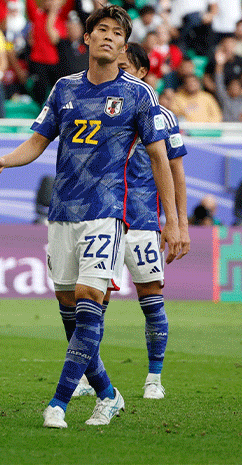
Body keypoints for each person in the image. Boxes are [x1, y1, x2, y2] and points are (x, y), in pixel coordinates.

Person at [0, 5, 183, 428]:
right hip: (63, 213)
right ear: (87, 39)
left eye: (117, 33)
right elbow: (37, 142)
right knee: (70, 312)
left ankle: (58, 403)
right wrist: (6, 160)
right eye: (101, 30)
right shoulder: (64, 88)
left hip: (106, 214)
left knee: (92, 302)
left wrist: (172, 221)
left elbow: (161, 160)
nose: (109, 37)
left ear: (124, 46)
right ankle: (108, 393)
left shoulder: (138, 94)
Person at [70, 43, 189, 401]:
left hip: (141, 220)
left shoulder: (162, 118)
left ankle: (154, 377)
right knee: (94, 300)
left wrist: (177, 224)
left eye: (124, 67)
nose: (116, 72)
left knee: (151, 297)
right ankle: (90, 377)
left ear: (141, 73)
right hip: (104, 217)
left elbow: (176, 173)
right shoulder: (100, 112)